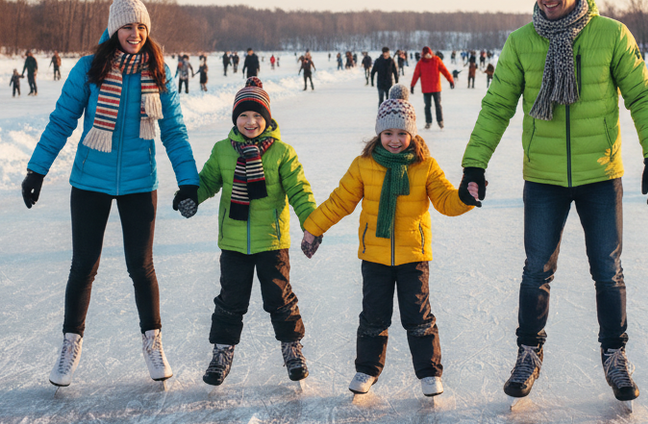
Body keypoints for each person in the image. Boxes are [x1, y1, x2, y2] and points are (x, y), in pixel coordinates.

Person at [459, 0, 648, 405]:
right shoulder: (521, 42)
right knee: (536, 270)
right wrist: (475, 162)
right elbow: (496, 107)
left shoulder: (611, 35)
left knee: (607, 270)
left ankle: (615, 355)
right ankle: (528, 353)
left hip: (600, 175)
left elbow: (642, 96)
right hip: (544, 178)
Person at [21, 0, 200, 389]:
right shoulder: (89, 69)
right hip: (90, 182)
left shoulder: (158, 71)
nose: (134, 33)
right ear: (114, 28)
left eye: (141, 26)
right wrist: (37, 170)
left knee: (142, 266)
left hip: (140, 183)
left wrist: (189, 181)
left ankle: (153, 344)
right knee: (84, 266)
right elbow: (61, 121)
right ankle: (69, 347)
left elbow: (174, 130)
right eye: (127, 26)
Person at [302, 84, 474, 397]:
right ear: (378, 135)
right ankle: (366, 369)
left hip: (414, 256)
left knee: (418, 317)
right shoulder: (363, 165)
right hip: (375, 257)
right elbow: (340, 200)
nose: (394, 140)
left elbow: (447, 202)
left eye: (401, 134)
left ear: (413, 134)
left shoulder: (425, 166)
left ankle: (429, 374)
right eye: (388, 134)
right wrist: (314, 227)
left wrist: (464, 196)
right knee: (373, 317)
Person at [193, 78, 318, 386]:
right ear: (235, 118)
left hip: (272, 242)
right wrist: (189, 197)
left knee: (280, 298)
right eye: (244, 116)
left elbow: (299, 190)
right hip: (233, 243)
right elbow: (207, 181)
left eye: (258, 116)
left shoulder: (281, 153)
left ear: (268, 118)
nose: (251, 122)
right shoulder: (223, 150)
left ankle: (292, 348)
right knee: (230, 300)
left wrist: (311, 224)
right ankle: (221, 352)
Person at [410, 46, 454, 129]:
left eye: (429, 54)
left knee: (438, 105)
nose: (427, 56)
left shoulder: (436, 60)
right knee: (427, 106)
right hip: (426, 89)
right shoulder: (420, 63)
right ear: (423, 54)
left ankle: (440, 121)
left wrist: (450, 80)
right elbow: (416, 75)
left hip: (436, 88)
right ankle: (428, 122)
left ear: (431, 53)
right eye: (426, 55)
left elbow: (444, 70)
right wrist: (412, 85)